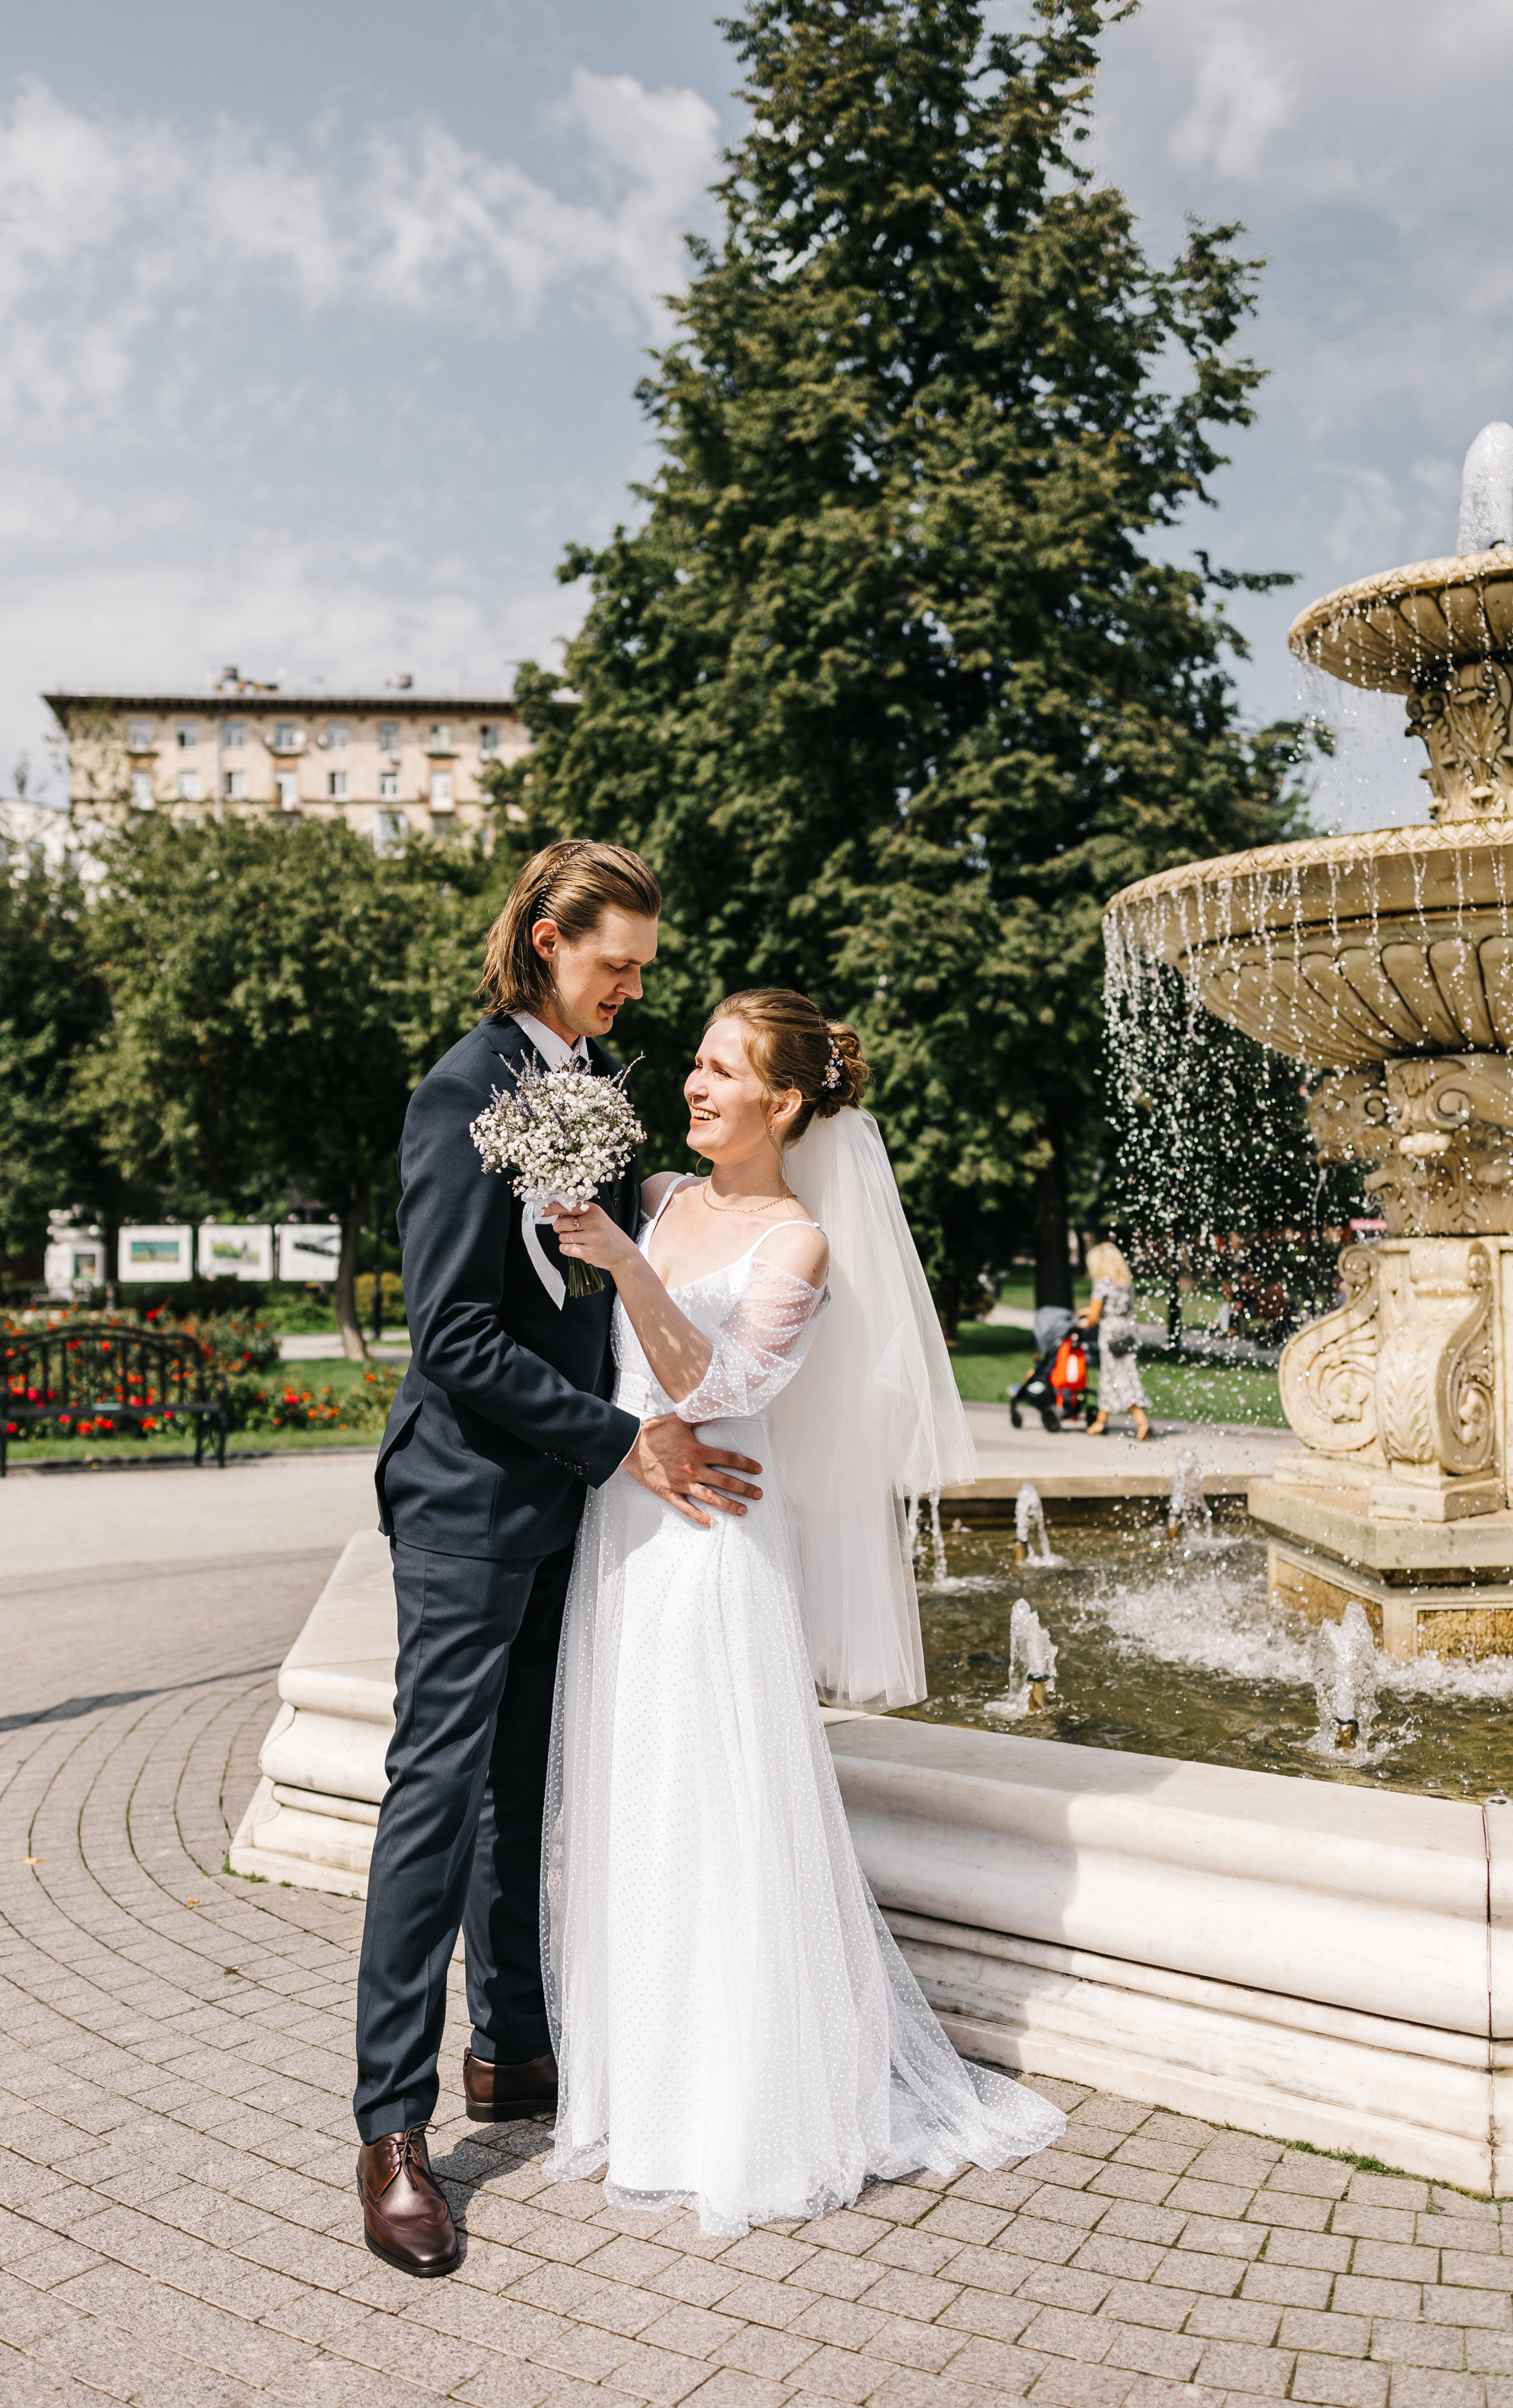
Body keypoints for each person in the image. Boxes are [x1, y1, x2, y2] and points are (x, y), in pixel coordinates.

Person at [544, 990, 1066, 2236]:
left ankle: (742, 2108)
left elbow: (717, 1385)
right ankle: (649, 2090)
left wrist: (622, 1265)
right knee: (636, 1804)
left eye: (723, 1070)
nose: (695, 1083)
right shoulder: (662, 1198)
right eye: (697, 1063)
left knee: (718, 1810)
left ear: (782, 1102)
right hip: (624, 1532)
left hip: (716, 1545)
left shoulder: (795, 1242)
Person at [355, 841, 766, 2279]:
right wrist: (618, 1441)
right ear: (543, 943)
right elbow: (454, 1337)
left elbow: (580, 1293)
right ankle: (391, 2132)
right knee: (432, 1798)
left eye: (643, 966)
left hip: (562, 1505)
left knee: (517, 1795)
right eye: (617, 964)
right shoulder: (465, 1093)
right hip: (468, 1501)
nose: (634, 987)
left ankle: (512, 2049)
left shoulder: (584, 1094)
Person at [1082, 1239, 1151, 1441]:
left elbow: (1095, 1317)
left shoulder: (1102, 1282)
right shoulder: (1125, 1282)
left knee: (1119, 1377)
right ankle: (1100, 1422)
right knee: (1113, 1375)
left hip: (1111, 1333)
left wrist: (1084, 1321)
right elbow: (1121, 1308)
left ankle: (1141, 1420)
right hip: (1127, 1330)